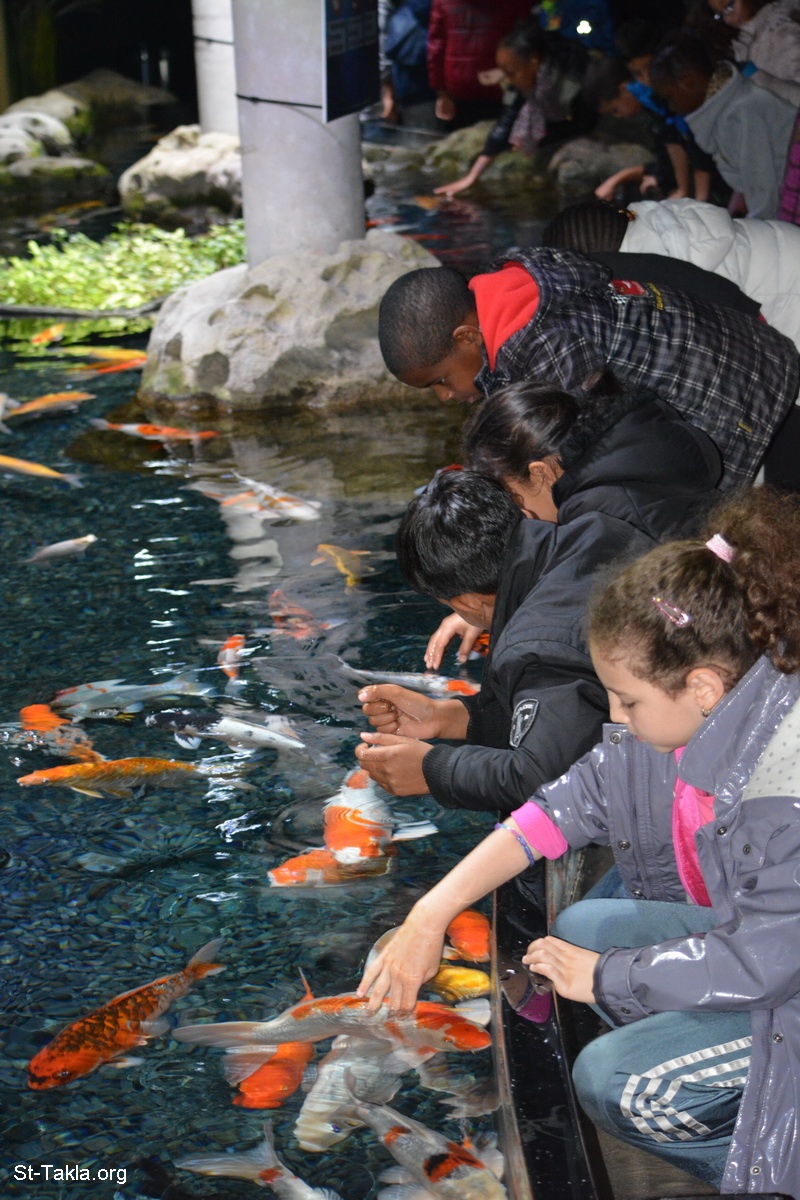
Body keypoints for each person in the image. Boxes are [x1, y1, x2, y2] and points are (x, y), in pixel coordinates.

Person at [358, 485, 800, 1197]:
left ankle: (771, 1162)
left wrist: (604, 979)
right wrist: (428, 913)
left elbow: (761, 964)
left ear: (703, 687)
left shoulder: (784, 791)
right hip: (766, 951)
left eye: (627, 701)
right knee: (583, 926)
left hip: (784, 983)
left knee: (613, 1080)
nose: (613, 719)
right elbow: (556, 810)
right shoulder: (677, 730)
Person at [354, 467, 650, 810]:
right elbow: (571, 720)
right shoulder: (599, 531)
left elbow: (545, 780)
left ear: (468, 603)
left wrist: (433, 770)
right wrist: (443, 717)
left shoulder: (538, 648)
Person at [377, 256, 800, 491]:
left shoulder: (548, 349)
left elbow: (589, 457)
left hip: (747, 401)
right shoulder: (517, 287)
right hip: (755, 356)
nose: (445, 397)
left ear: (468, 337)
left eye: (439, 381)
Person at [649, 29, 798, 221]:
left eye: (670, 98)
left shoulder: (738, 114)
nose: (672, 107)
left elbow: (764, 189)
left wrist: (755, 232)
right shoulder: (729, 107)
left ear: (688, 82)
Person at [433, 21, 589, 199]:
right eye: (504, 73)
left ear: (534, 63)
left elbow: (584, 123)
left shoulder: (571, 80)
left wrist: (538, 137)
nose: (507, 80)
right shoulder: (525, 76)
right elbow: (506, 123)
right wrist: (471, 177)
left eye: (511, 73)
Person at [426, 0, 531, 129]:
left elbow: (436, 48)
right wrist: (442, 94)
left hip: (472, 91)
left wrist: (441, 92)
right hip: (495, 90)